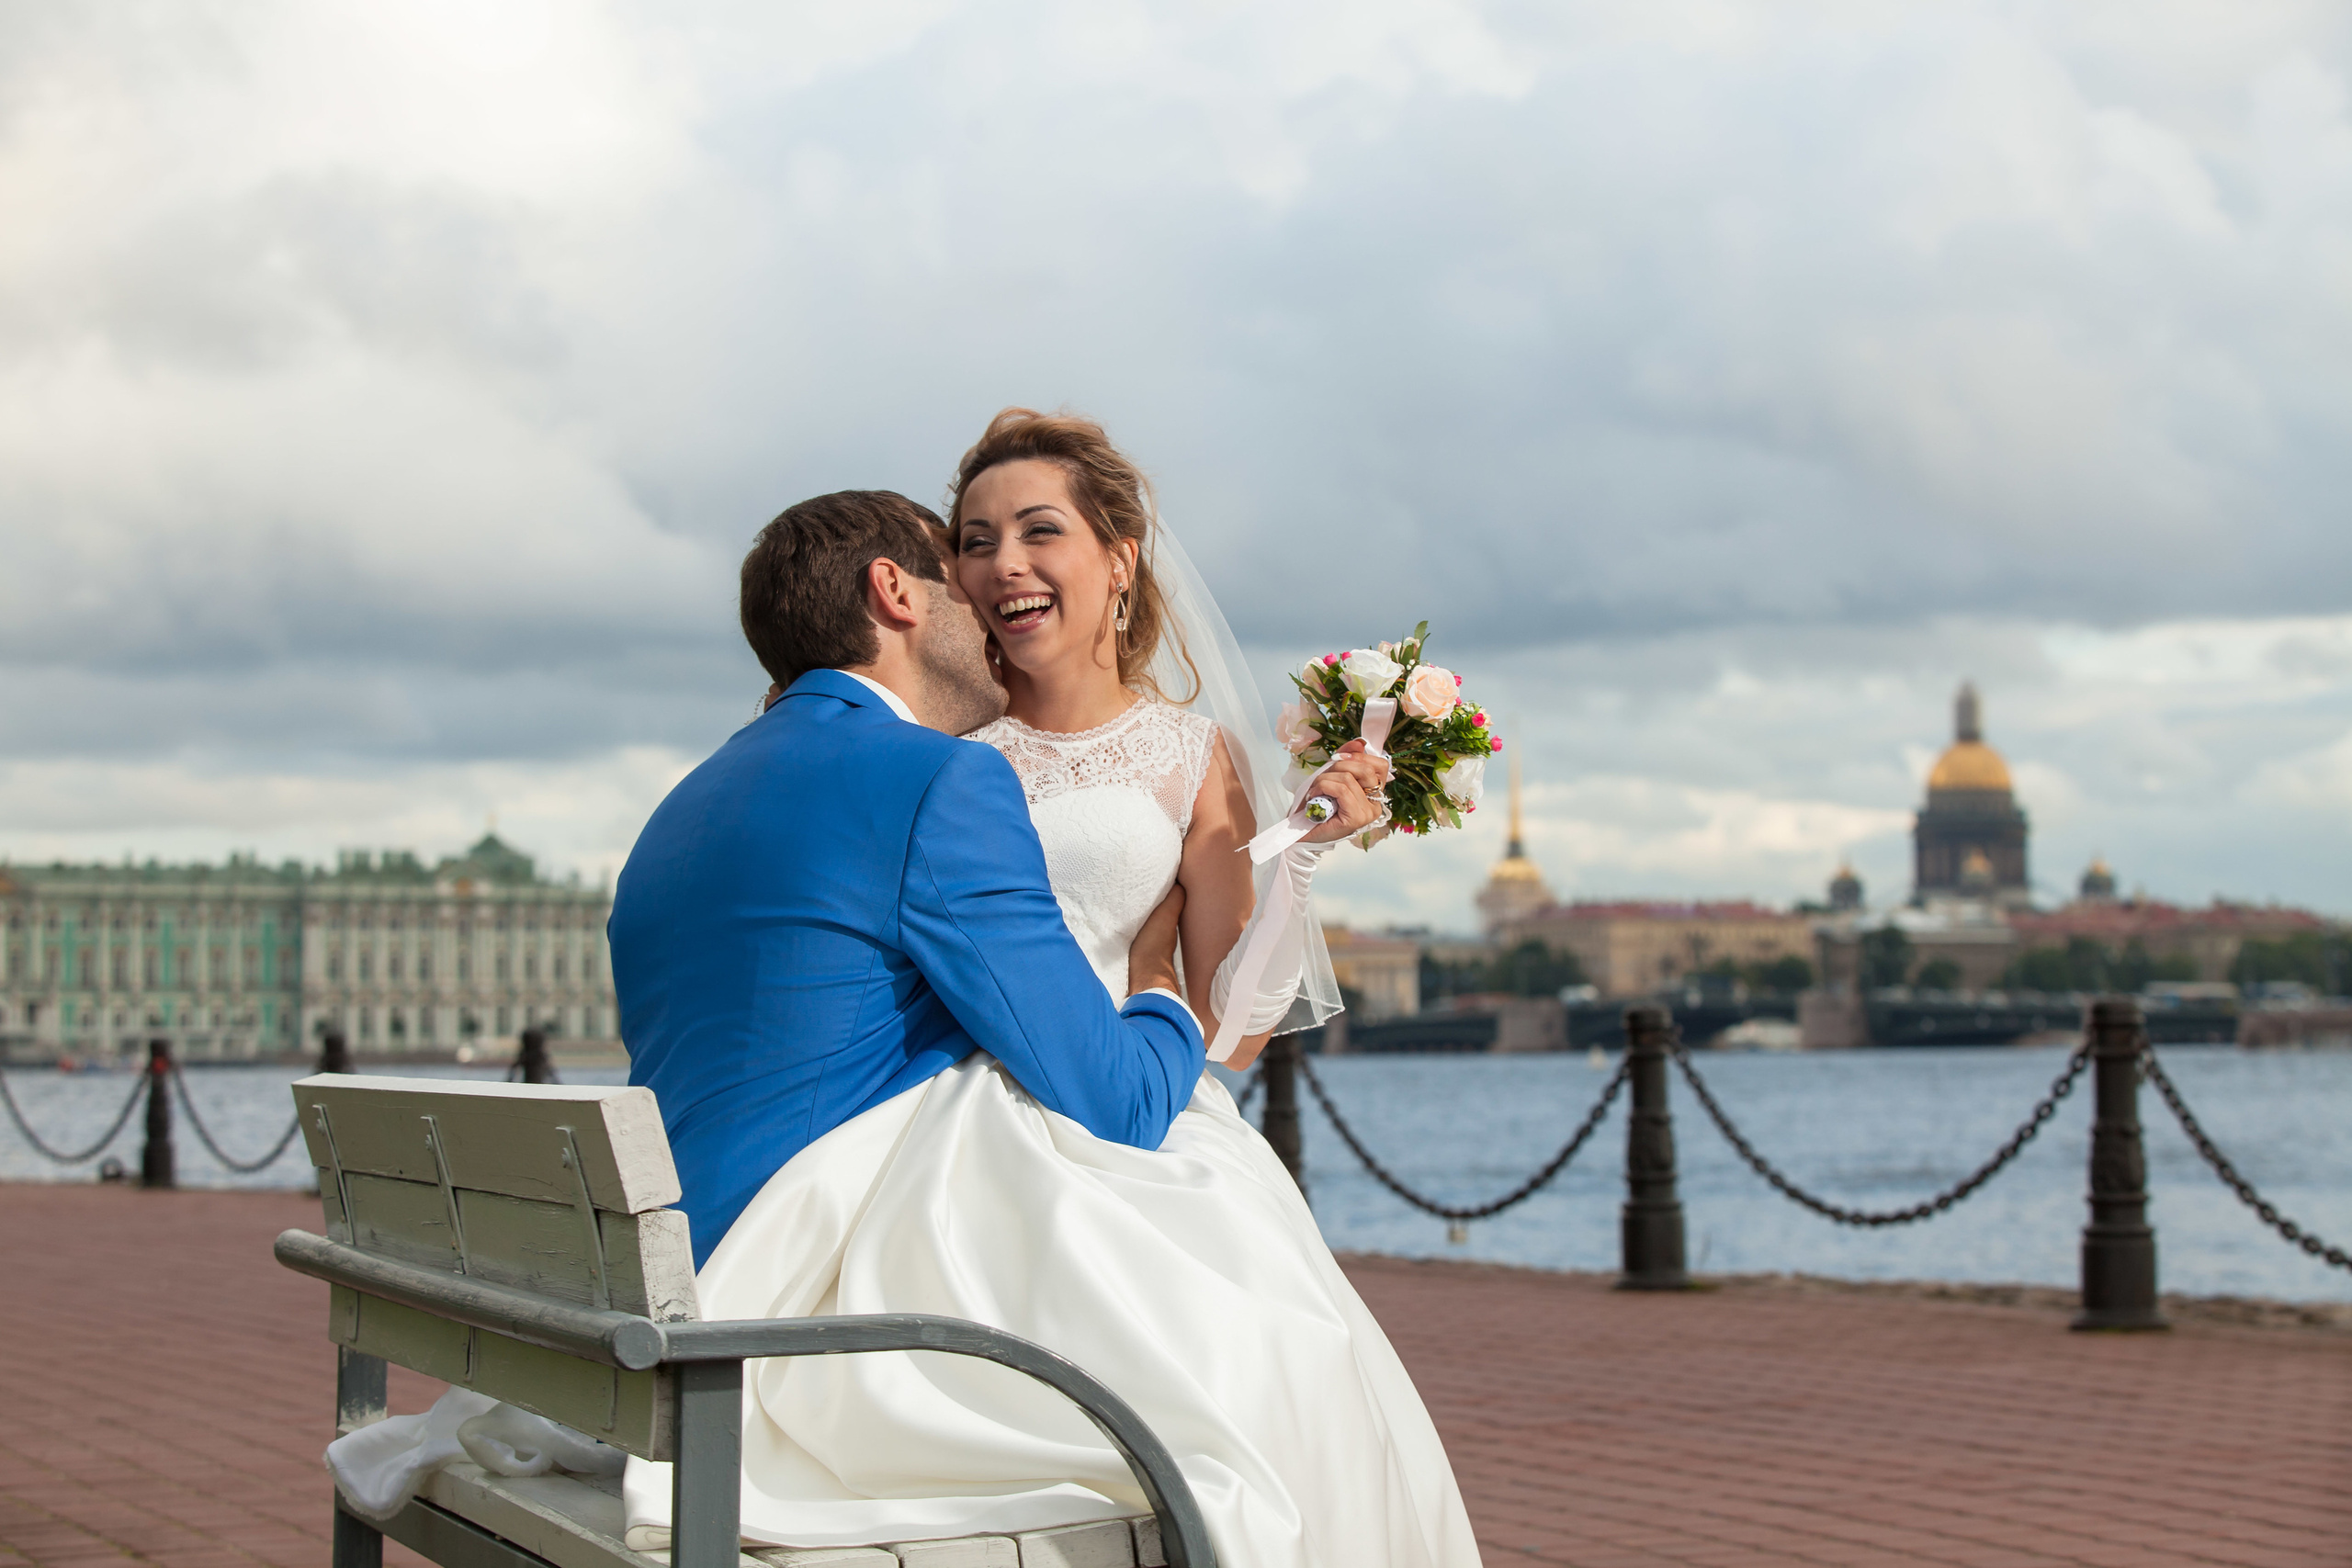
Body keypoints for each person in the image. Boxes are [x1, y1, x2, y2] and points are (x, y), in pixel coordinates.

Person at [619, 415, 1481, 1568]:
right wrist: (1151, 980)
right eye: (973, 543)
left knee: (1261, 1344)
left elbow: (1232, 1032)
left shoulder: (1190, 754)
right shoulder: (940, 754)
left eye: (1037, 531)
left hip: (1134, 1105)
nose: (1001, 565)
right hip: (973, 1111)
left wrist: (1300, 863)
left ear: (1118, 559)